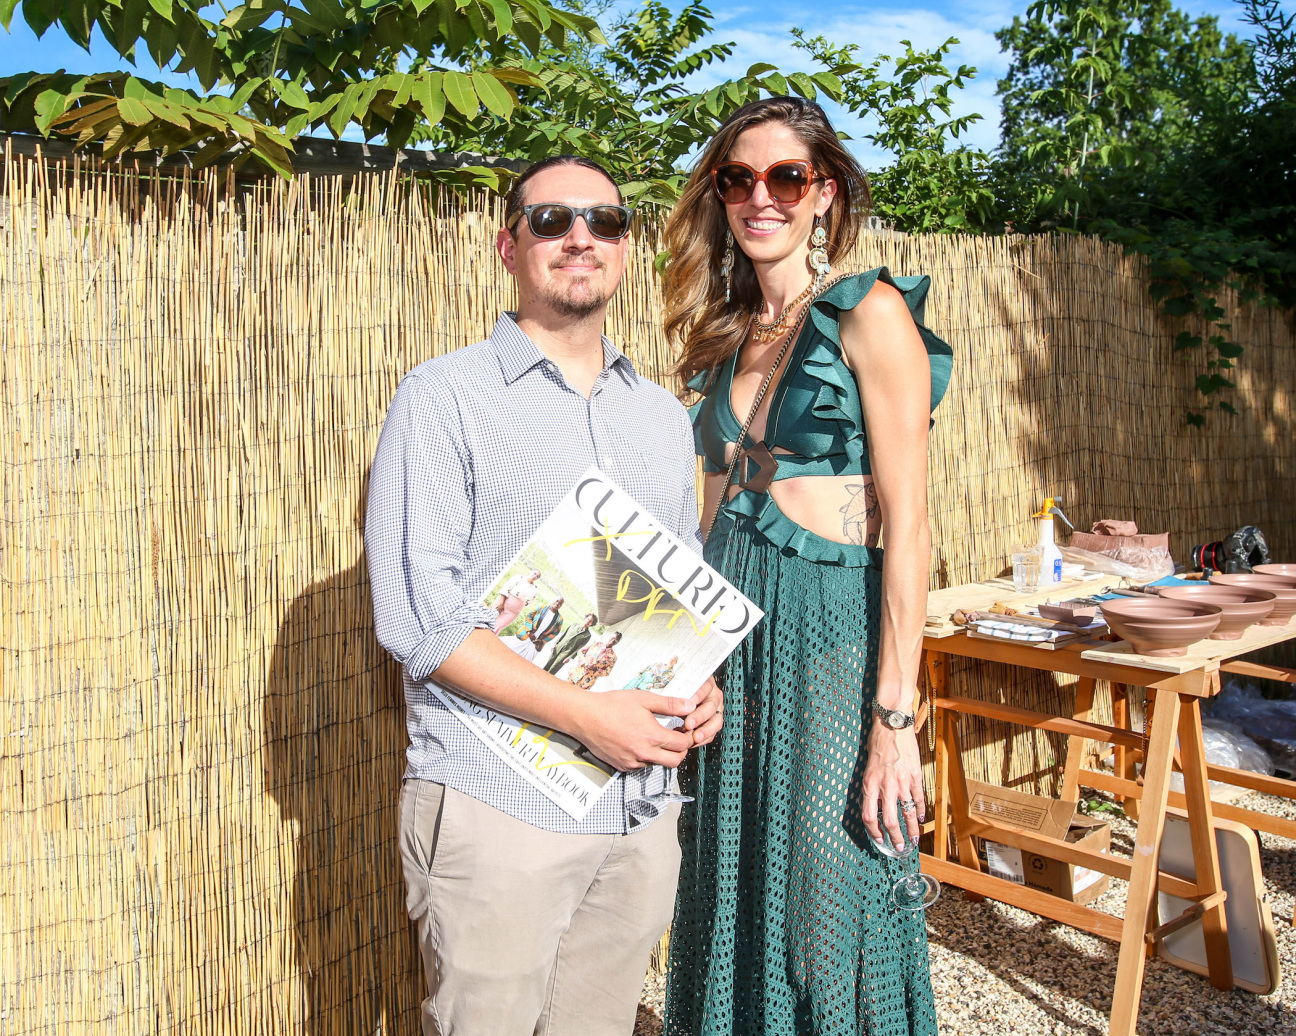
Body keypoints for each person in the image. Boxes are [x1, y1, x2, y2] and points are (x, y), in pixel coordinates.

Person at [365, 154, 724, 1036]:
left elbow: (671, 596)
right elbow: (419, 616)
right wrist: (584, 713)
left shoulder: (661, 417)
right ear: (507, 245)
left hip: (637, 807)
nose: (580, 239)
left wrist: (697, 682)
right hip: (498, 803)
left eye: (605, 222)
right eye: (552, 220)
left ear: (628, 249)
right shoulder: (443, 397)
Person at [661, 97, 953, 1036]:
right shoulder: (722, 332)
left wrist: (895, 716)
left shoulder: (867, 313)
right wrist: (681, 655)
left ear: (823, 193)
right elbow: (705, 510)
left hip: (829, 631)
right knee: (732, 876)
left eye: (785, 177)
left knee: (833, 897)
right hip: (732, 638)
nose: (761, 198)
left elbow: (909, 528)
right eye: (737, 178)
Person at [509, 596, 566, 663]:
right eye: (556, 601)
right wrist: (529, 632)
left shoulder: (559, 619)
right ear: (553, 600)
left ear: (561, 606)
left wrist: (541, 641)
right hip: (525, 636)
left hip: (536, 644)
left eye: (560, 603)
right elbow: (529, 616)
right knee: (510, 653)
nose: (557, 603)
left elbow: (555, 633)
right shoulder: (541, 607)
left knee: (525, 662)